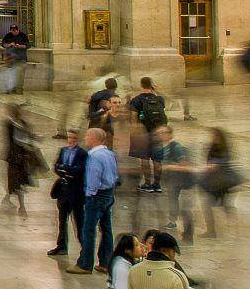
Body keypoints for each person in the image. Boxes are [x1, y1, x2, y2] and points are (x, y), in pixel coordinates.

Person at [73, 127, 119, 274]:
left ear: (94, 138)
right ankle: (106, 262)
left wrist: (89, 195)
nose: (85, 138)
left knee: (88, 230)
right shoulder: (109, 154)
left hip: (96, 195)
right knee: (106, 229)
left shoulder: (94, 156)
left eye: (87, 136)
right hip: (109, 193)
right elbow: (115, 174)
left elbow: (93, 177)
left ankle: (85, 264)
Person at [49, 129, 87, 256]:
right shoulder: (63, 150)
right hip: (63, 191)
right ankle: (62, 245)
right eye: (69, 137)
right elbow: (56, 167)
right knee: (62, 220)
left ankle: (85, 247)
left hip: (76, 193)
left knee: (79, 221)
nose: (71, 140)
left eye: (73, 138)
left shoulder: (82, 153)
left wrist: (65, 169)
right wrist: (65, 171)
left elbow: (79, 170)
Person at [128, 78, 169, 192]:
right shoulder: (159, 99)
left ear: (141, 85)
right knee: (157, 160)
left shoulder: (136, 100)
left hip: (143, 133)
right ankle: (157, 185)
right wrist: (156, 90)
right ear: (151, 85)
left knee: (145, 159)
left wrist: (134, 132)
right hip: (158, 133)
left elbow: (133, 118)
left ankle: (147, 184)